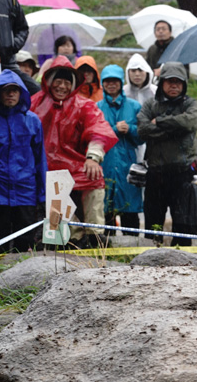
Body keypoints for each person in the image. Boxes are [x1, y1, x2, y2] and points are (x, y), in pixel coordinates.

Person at [30, 55, 118, 248]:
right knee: (54, 183)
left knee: (94, 177)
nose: (62, 87)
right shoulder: (34, 104)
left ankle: (95, 234)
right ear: (49, 82)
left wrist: (93, 157)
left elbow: (98, 129)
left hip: (77, 163)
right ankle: (67, 236)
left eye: (66, 82)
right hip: (45, 167)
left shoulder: (84, 105)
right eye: (58, 82)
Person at [138, 62, 197, 246]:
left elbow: (189, 123)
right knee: (153, 223)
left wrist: (159, 121)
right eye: (169, 81)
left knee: (183, 224)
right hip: (156, 173)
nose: (174, 85)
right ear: (161, 82)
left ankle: (184, 263)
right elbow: (142, 129)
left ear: (184, 84)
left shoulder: (191, 104)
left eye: (178, 82)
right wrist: (174, 129)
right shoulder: (151, 104)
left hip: (183, 173)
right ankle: (150, 261)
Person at [0, 70, 46, 252]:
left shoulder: (32, 121)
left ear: (21, 93)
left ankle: (23, 279)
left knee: (25, 238)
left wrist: (43, 194)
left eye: (15, 90)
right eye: (6, 90)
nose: (11, 94)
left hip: (25, 189)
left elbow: (40, 159)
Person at [97, 64, 144, 236]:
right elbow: (94, 135)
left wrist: (130, 129)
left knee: (130, 208)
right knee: (105, 208)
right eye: (107, 81)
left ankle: (131, 247)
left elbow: (142, 136)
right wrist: (115, 130)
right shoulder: (97, 107)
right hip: (105, 163)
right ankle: (108, 251)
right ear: (102, 83)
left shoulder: (134, 106)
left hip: (128, 164)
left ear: (121, 82)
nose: (111, 85)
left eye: (115, 81)